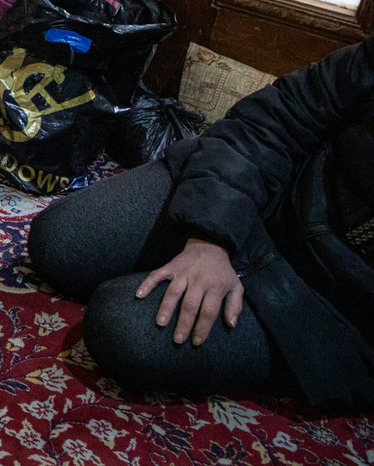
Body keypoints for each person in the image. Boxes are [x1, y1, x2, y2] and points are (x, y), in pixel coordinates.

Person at [27, 34, 374, 406]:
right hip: (275, 194)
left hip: (331, 309)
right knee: (60, 241)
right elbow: (275, 120)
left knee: (123, 329)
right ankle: (193, 254)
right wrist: (209, 237)